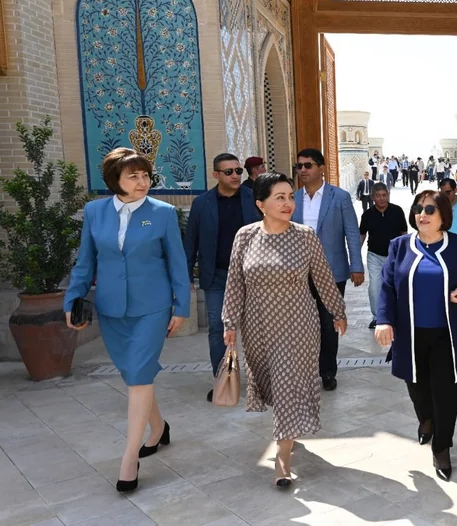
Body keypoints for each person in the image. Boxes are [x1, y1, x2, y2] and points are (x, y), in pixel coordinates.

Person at [64, 148, 189, 493]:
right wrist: (72, 298)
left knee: (138, 374)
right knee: (135, 375)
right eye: (133, 176)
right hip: (111, 307)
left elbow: (177, 263)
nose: (142, 182)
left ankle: (129, 458)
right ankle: (159, 427)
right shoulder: (94, 212)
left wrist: (181, 306)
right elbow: (85, 262)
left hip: (153, 306)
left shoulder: (163, 213)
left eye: (146, 175)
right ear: (114, 180)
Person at [222, 172, 347, 488]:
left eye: (290, 196)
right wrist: (230, 322)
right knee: (274, 385)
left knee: (289, 384)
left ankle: (282, 458)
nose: (288, 203)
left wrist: (337, 311)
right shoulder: (245, 236)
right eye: (279, 197)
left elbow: (322, 277)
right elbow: (235, 281)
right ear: (260, 203)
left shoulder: (305, 236)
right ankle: (287, 432)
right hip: (258, 326)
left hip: (298, 326)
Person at [375, 190, 457, 482]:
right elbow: (386, 287)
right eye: (419, 208)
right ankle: (426, 419)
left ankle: (442, 446)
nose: (423, 214)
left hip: (447, 333)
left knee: (446, 391)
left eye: (430, 209)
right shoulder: (399, 246)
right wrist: (383, 320)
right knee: (416, 386)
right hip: (411, 334)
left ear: (443, 215)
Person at [184, 153, 261, 401]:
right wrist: (186, 278)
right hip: (216, 277)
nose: (236, 175)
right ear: (216, 174)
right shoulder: (202, 203)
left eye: (238, 171)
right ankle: (223, 380)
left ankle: (259, 380)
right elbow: (191, 242)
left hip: (251, 276)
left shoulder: (254, 199)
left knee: (255, 329)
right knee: (218, 329)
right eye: (229, 172)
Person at [292, 148, 364, 390]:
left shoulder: (339, 197)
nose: (303, 170)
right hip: (299, 273)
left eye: (308, 165)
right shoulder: (292, 199)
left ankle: (327, 372)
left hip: (332, 271)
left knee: (328, 323)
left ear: (321, 168)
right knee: (301, 324)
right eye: (299, 166)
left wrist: (356, 266)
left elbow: (352, 233)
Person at [360, 182, 408, 329]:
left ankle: (396, 315)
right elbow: (361, 235)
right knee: (375, 286)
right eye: (378, 196)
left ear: (388, 195)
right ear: (373, 197)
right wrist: (355, 258)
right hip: (374, 256)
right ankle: (377, 317)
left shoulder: (397, 211)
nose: (381, 198)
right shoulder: (367, 215)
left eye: (384, 195)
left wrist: (406, 255)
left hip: (394, 256)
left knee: (395, 286)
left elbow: (404, 234)